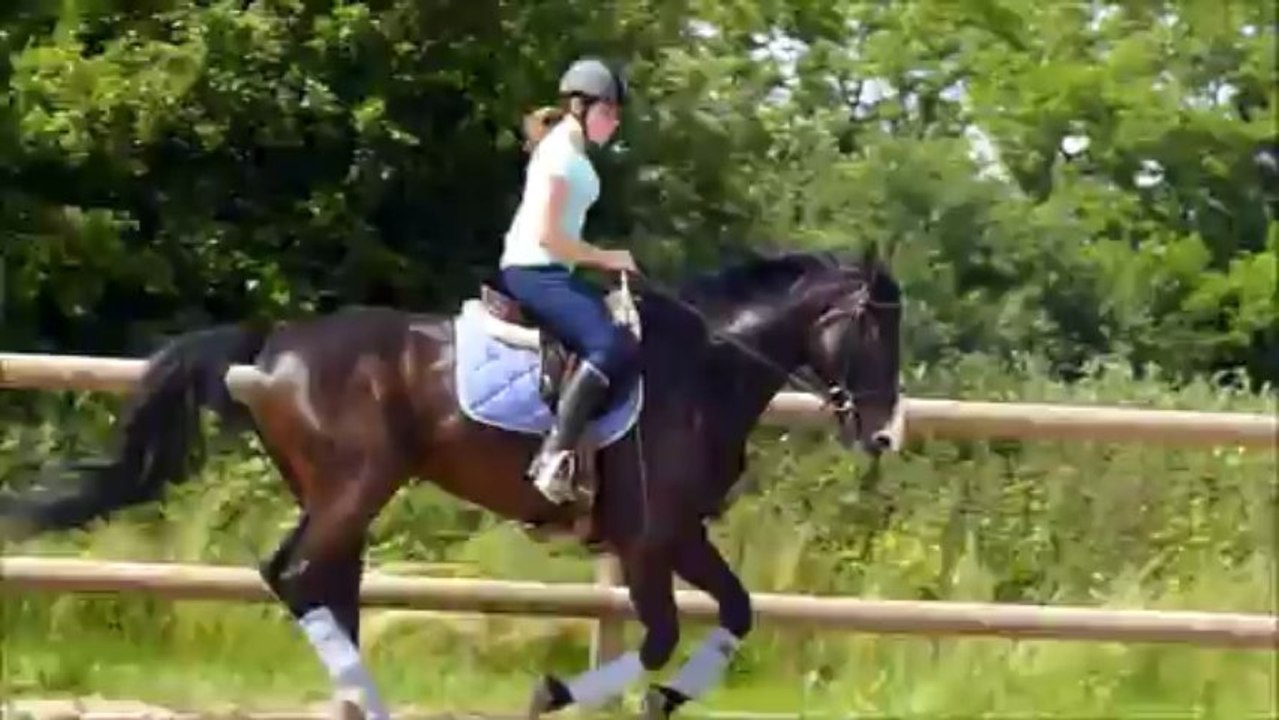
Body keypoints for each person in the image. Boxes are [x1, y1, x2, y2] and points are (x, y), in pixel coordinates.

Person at [499, 57, 640, 504]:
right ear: (585, 106)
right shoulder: (560, 154)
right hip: (535, 270)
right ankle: (554, 456)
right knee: (610, 345)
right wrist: (606, 257)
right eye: (610, 112)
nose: (615, 123)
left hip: (551, 270)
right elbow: (550, 238)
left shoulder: (570, 151)